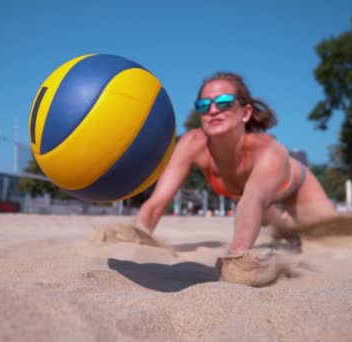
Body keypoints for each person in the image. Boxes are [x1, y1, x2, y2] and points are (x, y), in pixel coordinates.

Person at [133, 72, 336, 257]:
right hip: (258, 202)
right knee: (279, 226)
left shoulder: (268, 150)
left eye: (223, 102)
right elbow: (157, 202)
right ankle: (287, 227)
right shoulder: (192, 144)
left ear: (246, 113)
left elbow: (253, 200)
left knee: (331, 240)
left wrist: (237, 256)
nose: (212, 110)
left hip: (296, 188)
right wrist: (135, 239)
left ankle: (290, 227)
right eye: (203, 105)